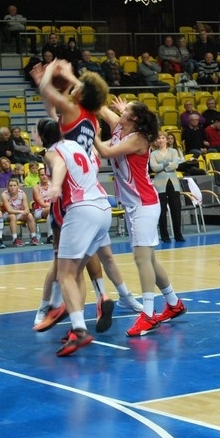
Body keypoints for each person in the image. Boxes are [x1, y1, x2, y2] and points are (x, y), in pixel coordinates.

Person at [29, 59, 142, 335]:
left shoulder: (70, 113)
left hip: (71, 194)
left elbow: (50, 96)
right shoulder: (92, 120)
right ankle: (103, 298)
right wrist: (70, 78)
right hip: (94, 188)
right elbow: (85, 96)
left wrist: (50, 78)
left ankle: (58, 309)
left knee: (63, 263)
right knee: (97, 255)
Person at [95, 99, 187, 337]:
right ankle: (174, 304)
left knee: (141, 259)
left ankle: (148, 315)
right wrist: (75, 86)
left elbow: (105, 151)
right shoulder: (120, 127)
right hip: (133, 204)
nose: (120, 110)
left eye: (126, 110)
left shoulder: (138, 139)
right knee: (150, 260)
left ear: (134, 118)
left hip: (143, 203)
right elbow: (100, 107)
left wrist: (90, 134)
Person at [36, 118, 112, 356]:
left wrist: (56, 185)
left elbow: (58, 164)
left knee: (64, 272)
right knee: (76, 271)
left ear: (41, 136)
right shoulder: (77, 145)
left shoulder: (51, 152)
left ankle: (79, 330)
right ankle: (75, 323)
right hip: (104, 209)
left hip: (81, 210)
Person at [150, 131, 184, 243]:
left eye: (163, 138)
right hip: (160, 184)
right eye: (158, 138)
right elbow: (154, 168)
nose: (160, 140)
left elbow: (175, 164)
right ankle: (165, 236)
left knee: (176, 209)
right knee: (162, 210)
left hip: (173, 182)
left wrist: (163, 167)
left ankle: (178, 235)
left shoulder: (173, 151)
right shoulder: (153, 154)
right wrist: (165, 164)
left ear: (166, 140)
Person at [2, 178, 38, 246]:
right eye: (11, 186)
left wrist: (26, 211)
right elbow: (9, 210)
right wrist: (21, 212)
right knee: (13, 217)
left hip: (19, 214)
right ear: (7, 187)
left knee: (29, 215)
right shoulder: (4, 194)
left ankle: (33, 237)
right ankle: (15, 239)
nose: (13, 187)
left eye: (14, 185)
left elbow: (26, 207)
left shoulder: (22, 193)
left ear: (18, 186)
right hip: (8, 214)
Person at [31, 166, 54, 243]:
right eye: (42, 175)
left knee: (51, 212)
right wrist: (54, 206)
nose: (44, 176)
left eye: (45, 174)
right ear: (38, 176)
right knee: (51, 210)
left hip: (51, 210)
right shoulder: (36, 188)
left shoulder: (53, 185)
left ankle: (52, 236)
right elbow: (42, 204)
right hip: (39, 211)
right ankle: (50, 235)